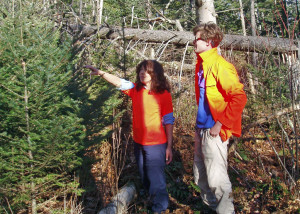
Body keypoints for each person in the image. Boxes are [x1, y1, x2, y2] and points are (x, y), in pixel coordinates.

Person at [84, 60, 174, 213]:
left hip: (156, 144)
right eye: (141, 70)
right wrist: (101, 73)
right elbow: (119, 82)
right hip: (138, 142)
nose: (142, 73)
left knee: (156, 177)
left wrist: (169, 147)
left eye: (146, 71)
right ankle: (149, 198)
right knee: (143, 172)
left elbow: (169, 121)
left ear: (155, 74)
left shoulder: (163, 94)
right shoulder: (135, 89)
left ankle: (159, 207)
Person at [192, 22, 247, 214]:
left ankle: (226, 212)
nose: (194, 42)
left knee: (217, 180)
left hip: (214, 130)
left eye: (197, 39)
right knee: (201, 177)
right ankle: (212, 210)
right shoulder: (201, 65)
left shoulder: (220, 66)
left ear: (208, 42)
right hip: (201, 128)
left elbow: (239, 97)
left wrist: (220, 123)